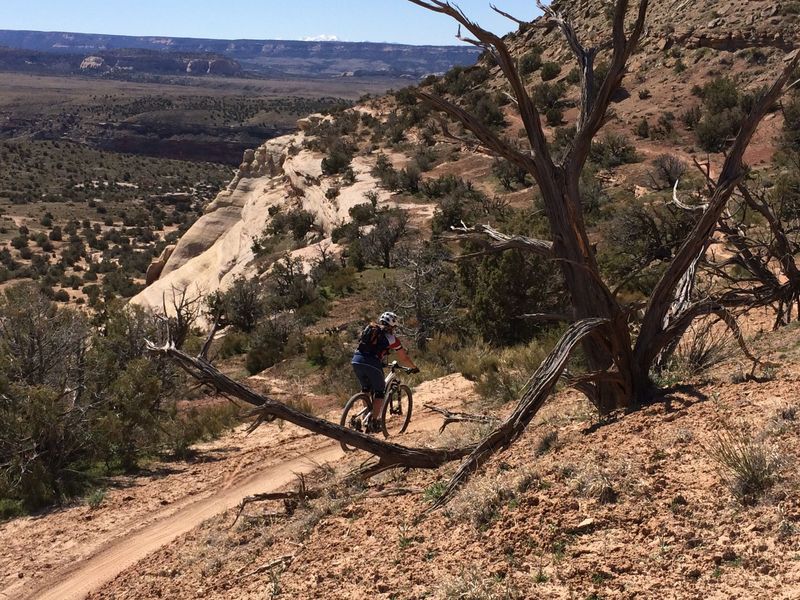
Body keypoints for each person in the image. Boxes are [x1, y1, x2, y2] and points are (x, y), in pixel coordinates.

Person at [351, 311, 419, 432]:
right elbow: (403, 358)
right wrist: (414, 367)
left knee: (366, 388)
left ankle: (365, 415)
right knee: (379, 392)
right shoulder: (392, 339)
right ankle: (374, 422)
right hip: (371, 363)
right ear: (392, 326)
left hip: (356, 360)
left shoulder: (369, 329)